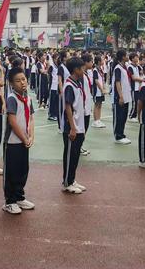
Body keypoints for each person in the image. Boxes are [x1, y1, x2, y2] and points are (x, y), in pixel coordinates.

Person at [2, 67, 35, 214]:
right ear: (11, 83)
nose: (22, 83)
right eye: (18, 80)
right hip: (13, 142)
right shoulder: (12, 99)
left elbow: (32, 118)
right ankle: (9, 201)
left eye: (23, 79)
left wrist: (31, 136)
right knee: (12, 171)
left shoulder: (28, 97)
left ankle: (19, 196)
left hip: (24, 141)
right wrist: (23, 137)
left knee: (23, 169)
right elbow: (12, 121)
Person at [61, 57, 86, 194]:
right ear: (76, 70)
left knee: (75, 154)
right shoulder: (69, 85)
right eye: (82, 68)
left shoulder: (77, 83)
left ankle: (72, 179)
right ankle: (67, 182)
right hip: (73, 127)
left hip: (79, 125)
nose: (84, 70)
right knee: (70, 155)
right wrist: (72, 127)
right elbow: (68, 107)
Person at [112, 50, 132, 144]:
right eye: (126, 55)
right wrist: (120, 96)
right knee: (118, 117)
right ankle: (118, 136)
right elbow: (117, 82)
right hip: (119, 97)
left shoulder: (125, 67)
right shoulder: (118, 68)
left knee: (123, 117)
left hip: (126, 96)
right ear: (123, 57)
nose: (128, 56)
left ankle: (122, 134)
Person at [81, 53, 94, 156]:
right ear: (86, 62)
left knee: (85, 127)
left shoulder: (85, 74)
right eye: (91, 61)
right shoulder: (81, 75)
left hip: (87, 105)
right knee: (82, 128)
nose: (92, 63)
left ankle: (80, 145)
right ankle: (78, 146)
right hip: (83, 107)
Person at [92, 55, 107, 128]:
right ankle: (95, 121)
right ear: (98, 62)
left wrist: (104, 88)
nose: (103, 61)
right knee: (96, 105)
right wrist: (101, 89)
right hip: (97, 91)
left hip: (101, 90)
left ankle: (98, 120)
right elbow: (96, 81)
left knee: (100, 105)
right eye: (102, 60)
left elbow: (102, 79)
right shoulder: (95, 70)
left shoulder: (101, 69)